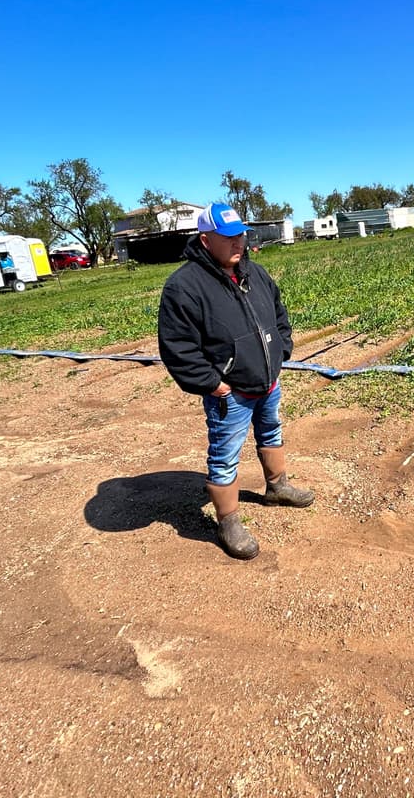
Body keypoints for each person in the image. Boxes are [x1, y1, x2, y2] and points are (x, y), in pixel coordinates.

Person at [157, 201, 313, 559]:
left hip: (267, 382)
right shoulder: (184, 286)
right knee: (224, 456)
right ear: (206, 239)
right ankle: (228, 521)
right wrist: (213, 384)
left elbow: (278, 313)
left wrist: (281, 351)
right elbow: (177, 346)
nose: (238, 243)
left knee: (272, 432)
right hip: (230, 393)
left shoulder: (254, 273)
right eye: (228, 237)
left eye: (240, 235)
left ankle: (277, 487)